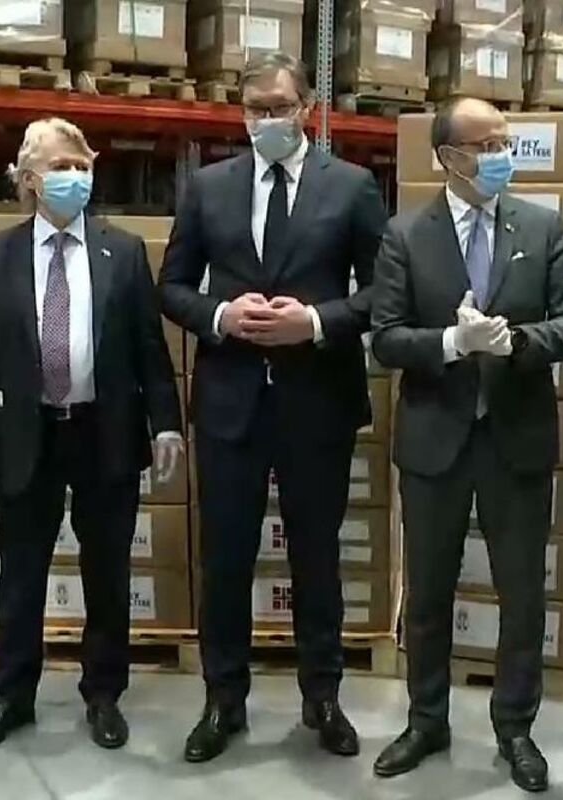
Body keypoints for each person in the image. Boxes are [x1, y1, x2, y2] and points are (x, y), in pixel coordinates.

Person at [158, 51, 386, 763]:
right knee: (225, 557)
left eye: (281, 107)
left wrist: (313, 323)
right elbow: (173, 286)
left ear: (307, 107)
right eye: (256, 109)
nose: (268, 120)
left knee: (317, 556)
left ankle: (323, 696)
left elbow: (385, 292)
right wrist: (221, 315)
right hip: (230, 402)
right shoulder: (208, 187)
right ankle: (223, 700)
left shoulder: (351, 187)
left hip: (317, 401)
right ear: (241, 113)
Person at [370, 96, 563, 792]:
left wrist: (515, 342)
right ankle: (425, 720)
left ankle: (515, 728)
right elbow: (385, 337)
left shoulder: (543, 227)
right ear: (448, 157)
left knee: (521, 595)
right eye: (485, 146)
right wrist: (450, 342)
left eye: (505, 143)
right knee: (429, 592)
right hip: (434, 441)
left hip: (516, 439)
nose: (501, 156)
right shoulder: (406, 234)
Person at [0, 118, 184, 751]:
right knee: (21, 571)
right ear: (30, 178)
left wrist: (166, 424)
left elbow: (150, 349)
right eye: (63, 166)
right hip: (27, 434)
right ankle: (12, 696)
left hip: (104, 431)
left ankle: (104, 693)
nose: (76, 178)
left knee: (108, 569)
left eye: (84, 166)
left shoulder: (124, 252)